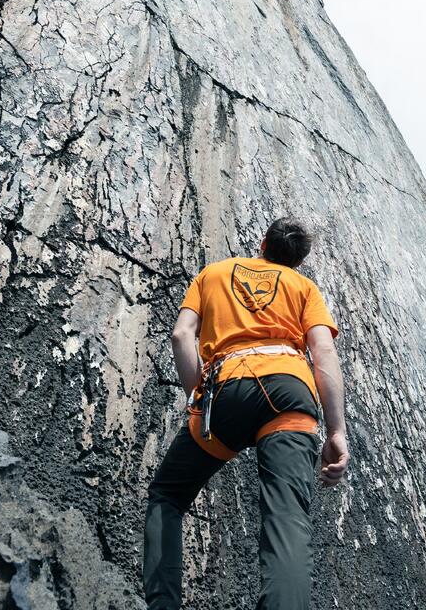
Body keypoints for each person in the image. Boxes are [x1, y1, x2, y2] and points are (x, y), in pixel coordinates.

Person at [143, 216, 349, 610]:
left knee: (168, 495)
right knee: (287, 520)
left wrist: (199, 400)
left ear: (262, 242)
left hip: (228, 386)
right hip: (289, 391)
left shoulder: (214, 274)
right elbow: (323, 353)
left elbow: (181, 335)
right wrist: (337, 431)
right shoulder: (304, 288)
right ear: (298, 262)